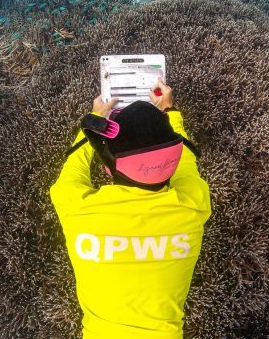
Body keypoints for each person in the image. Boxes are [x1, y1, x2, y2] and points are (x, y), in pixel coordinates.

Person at [49, 77, 212, 339]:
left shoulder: (76, 209)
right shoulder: (193, 204)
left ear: (105, 167)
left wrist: (93, 121)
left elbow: (72, 171)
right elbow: (186, 162)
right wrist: (169, 112)